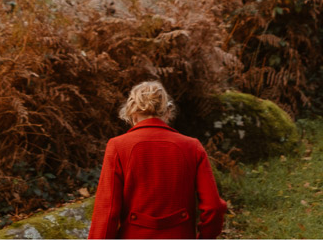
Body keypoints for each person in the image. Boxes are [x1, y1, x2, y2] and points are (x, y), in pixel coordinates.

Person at [88, 80, 228, 240]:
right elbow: (214, 207)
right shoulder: (192, 147)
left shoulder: (118, 147)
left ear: (132, 113)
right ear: (168, 112)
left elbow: (107, 211)